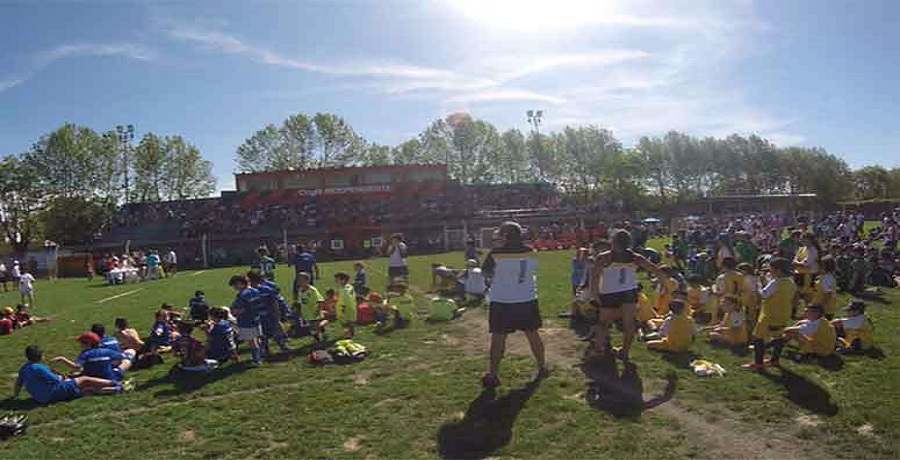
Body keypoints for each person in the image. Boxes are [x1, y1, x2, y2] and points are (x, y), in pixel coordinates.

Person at [480, 221, 547, 389]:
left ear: (504, 236)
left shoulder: (496, 252)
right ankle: (542, 367)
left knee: (498, 338)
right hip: (527, 298)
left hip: (503, 300)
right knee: (533, 334)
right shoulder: (531, 250)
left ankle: (493, 374)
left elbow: (485, 273)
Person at [591, 229, 662, 361]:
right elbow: (654, 268)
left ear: (612, 241)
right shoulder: (635, 257)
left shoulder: (603, 257)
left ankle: (598, 351)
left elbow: (594, 276)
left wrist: (595, 293)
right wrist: (664, 283)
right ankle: (625, 352)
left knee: (603, 323)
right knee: (629, 324)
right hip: (629, 292)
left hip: (609, 292)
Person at [13, 345, 119, 404]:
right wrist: (64, 378)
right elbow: (55, 380)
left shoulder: (23, 368)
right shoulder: (39, 367)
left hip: (40, 398)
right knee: (84, 380)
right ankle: (115, 383)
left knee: (86, 390)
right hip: (52, 394)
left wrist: (15, 396)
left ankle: (115, 389)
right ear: (40, 356)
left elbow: (18, 384)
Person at [743, 257, 798, 370]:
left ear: (778, 270)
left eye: (771, 269)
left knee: (758, 337)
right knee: (778, 336)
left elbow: (763, 295)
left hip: (769, 314)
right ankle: (774, 360)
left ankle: (758, 363)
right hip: (783, 313)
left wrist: (758, 285)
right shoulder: (791, 281)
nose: (769, 271)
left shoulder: (775, 282)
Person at [52, 332, 134, 390]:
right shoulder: (106, 351)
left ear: (87, 344)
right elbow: (121, 357)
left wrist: (63, 359)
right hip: (111, 376)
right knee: (127, 360)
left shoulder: (85, 354)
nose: (80, 346)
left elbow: (76, 367)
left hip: (93, 379)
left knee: (85, 387)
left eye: (81, 343)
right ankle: (119, 385)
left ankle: (116, 388)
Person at [248, 269, 290, 355]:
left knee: (276, 332)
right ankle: (265, 351)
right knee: (263, 335)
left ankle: (283, 346)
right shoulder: (248, 292)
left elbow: (274, 302)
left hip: (269, 315)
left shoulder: (266, 289)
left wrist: (276, 313)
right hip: (258, 317)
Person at [230, 274, 264, 367]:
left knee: (251, 341)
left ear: (240, 283)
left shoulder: (242, 294)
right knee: (256, 339)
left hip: (246, 320)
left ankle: (256, 360)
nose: (234, 287)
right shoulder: (255, 291)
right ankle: (260, 355)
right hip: (256, 318)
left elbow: (242, 308)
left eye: (235, 285)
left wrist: (234, 312)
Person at [295, 272, 328, 341]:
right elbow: (300, 302)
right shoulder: (300, 290)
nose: (299, 282)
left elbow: (320, 301)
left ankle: (319, 337)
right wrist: (299, 311)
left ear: (307, 281)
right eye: (298, 280)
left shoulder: (313, 290)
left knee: (315, 326)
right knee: (312, 326)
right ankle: (321, 333)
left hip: (314, 312)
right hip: (307, 313)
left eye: (302, 280)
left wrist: (318, 310)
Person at [793, 232, 822, 303]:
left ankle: (810, 310)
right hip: (800, 274)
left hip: (809, 275)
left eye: (804, 239)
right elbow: (795, 259)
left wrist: (798, 263)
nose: (802, 241)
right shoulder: (802, 249)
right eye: (801, 239)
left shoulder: (813, 250)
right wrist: (798, 262)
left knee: (808, 295)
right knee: (797, 294)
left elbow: (806, 263)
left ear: (810, 240)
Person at [334, 272, 357, 338]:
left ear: (343, 280)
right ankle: (350, 333)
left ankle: (348, 334)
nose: (335, 281)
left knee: (345, 322)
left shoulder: (344, 290)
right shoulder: (349, 286)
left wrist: (342, 309)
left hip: (344, 308)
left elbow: (346, 299)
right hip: (351, 307)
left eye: (337, 279)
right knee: (350, 321)